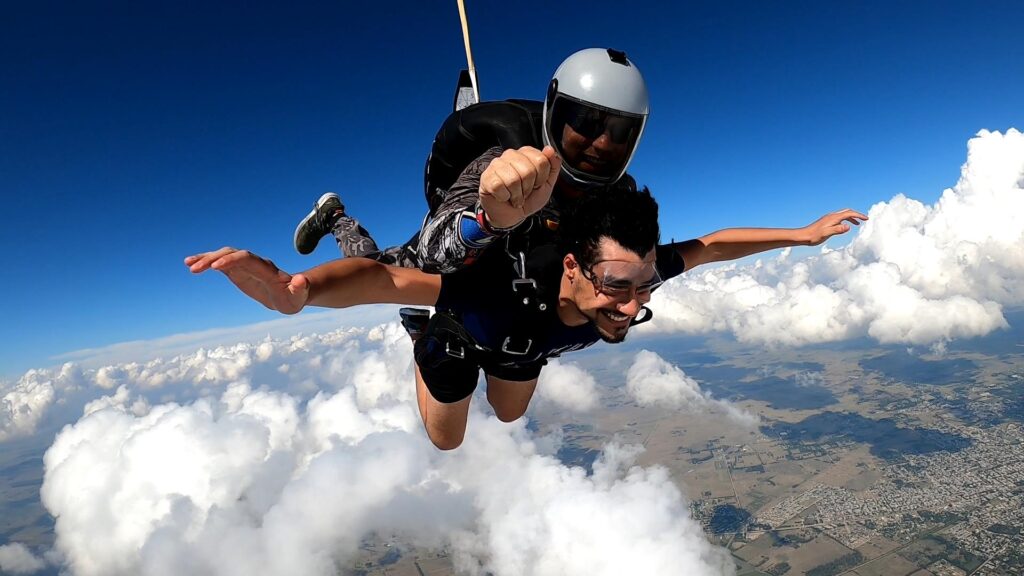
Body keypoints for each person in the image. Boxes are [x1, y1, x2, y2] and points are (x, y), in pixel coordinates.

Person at [187, 185, 866, 450]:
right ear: (571, 266)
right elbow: (387, 277)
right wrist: (298, 291)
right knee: (450, 426)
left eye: (644, 288)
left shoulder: (634, 268)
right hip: (453, 312)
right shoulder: (498, 289)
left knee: (510, 410)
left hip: (519, 342)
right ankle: (341, 220)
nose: (632, 308)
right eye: (616, 289)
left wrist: (802, 234)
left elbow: (714, 245)